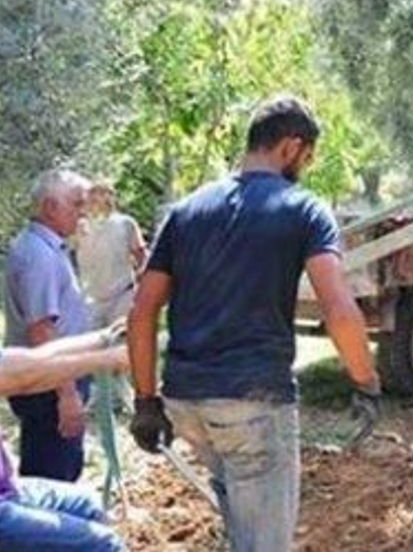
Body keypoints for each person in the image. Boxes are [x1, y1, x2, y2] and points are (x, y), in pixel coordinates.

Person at [126, 94, 381, 552]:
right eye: (305, 157)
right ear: (289, 147)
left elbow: (142, 311)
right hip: (254, 404)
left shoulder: (185, 212)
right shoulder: (305, 209)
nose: (304, 167)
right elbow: (339, 310)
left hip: (187, 403)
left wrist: (145, 401)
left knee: (240, 524)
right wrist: (365, 381)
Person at [0, 326, 129, 551]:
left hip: (6, 489)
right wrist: (104, 360)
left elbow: (36, 359)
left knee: (88, 505)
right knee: (104, 545)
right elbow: (24, 378)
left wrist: (105, 337)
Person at [4, 170, 95, 482]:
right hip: (48, 389)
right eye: (76, 203)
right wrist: (67, 396)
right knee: (53, 477)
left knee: (61, 468)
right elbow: (42, 331)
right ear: (50, 207)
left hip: (52, 382)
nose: (82, 211)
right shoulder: (37, 255)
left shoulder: (47, 248)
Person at [76, 181, 147, 329]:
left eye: (105, 193)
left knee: (120, 341)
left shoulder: (126, 223)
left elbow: (141, 255)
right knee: (90, 344)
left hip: (122, 294)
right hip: (91, 298)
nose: (101, 198)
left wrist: (143, 287)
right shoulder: (79, 226)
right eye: (95, 194)